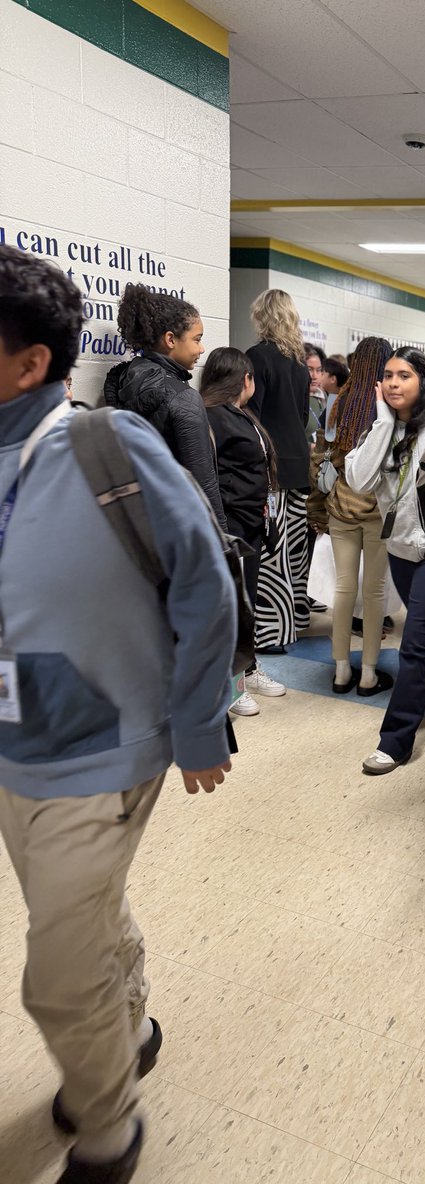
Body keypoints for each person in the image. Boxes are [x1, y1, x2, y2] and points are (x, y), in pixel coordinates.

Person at [0, 246, 235, 1184]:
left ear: (29, 363)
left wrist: (198, 721)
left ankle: (107, 1128)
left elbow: (206, 586)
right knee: (82, 915)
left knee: (56, 977)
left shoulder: (105, 444)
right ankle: (128, 1026)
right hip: (15, 745)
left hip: (102, 747)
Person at [344, 348, 425, 773]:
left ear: (422, 381)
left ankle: (395, 740)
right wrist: (385, 422)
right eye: (387, 375)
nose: (393, 383)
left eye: (403, 375)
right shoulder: (380, 428)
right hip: (400, 548)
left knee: (414, 644)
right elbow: (359, 479)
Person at [200, 347, 287, 718]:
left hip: (251, 522)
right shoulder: (211, 418)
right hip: (230, 526)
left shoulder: (241, 414)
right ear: (243, 379)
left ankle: (248, 669)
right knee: (232, 608)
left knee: (246, 603)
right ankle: (232, 687)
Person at [308, 336, 394, 696]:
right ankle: (369, 673)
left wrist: (316, 509)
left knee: (344, 589)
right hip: (377, 511)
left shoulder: (337, 404)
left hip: (341, 507)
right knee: (374, 593)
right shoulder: (388, 407)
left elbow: (320, 461)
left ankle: (341, 668)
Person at [104, 282, 226, 529]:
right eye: (197, 339)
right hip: (181, 530)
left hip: (139, 527)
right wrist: (221, 540)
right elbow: (203, 484)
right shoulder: (183, 398)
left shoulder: (125, 382)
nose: (202, 349)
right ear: (171, 339)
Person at [245, 289, 312, 650]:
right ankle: (297, 619)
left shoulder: (257, 358)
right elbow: (302, 415)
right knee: (295, 548)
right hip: (299, 461)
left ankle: (271, 634)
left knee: (273, 549)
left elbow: (251, 415)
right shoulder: (300, 362)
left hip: (272, 464)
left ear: (262, 317)